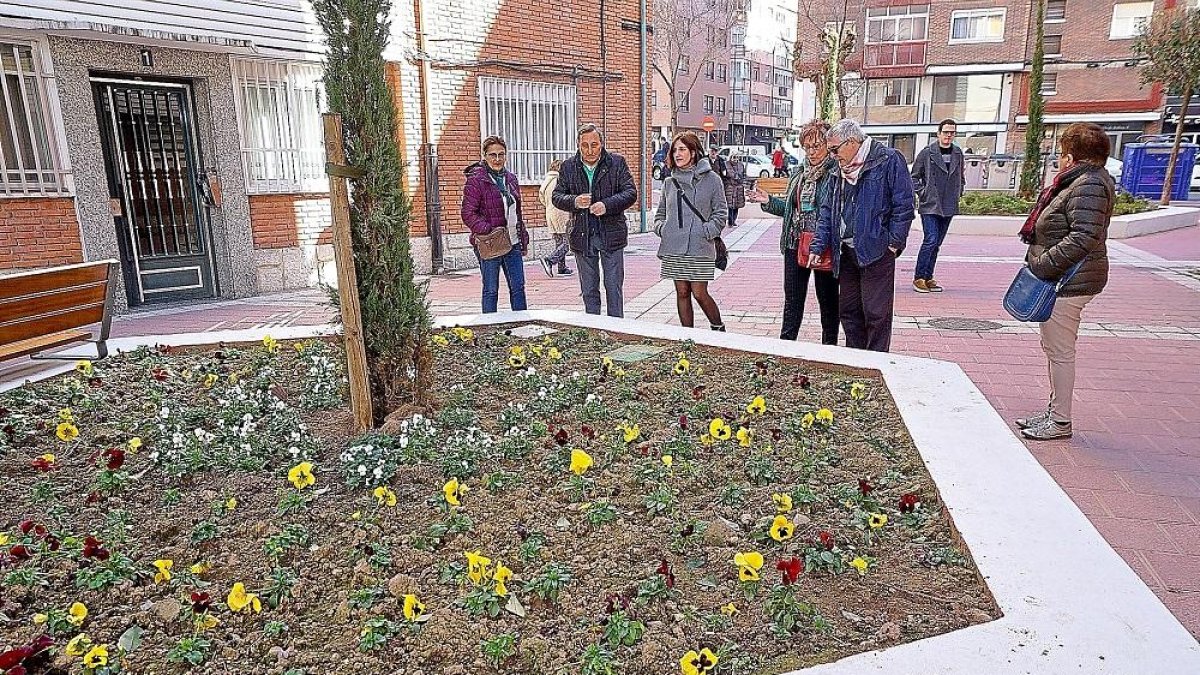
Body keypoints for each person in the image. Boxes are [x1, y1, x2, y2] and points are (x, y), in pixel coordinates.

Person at [1016, 123, 1115, 441]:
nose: (1059, 159)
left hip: (1068, 282)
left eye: (1061, 153)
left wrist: (1043, 265)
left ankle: (1060, 421)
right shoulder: (1082, 181)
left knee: (1060, 351)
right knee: (1054, 348)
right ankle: (1054, 411)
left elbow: (1084, 237)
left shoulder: (1088, 184)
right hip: (1065, 279)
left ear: (1070, 157)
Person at [808, 119, 914, 352]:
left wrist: (893, 244)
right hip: (846, 252)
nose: (832, 155)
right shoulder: (838, 168)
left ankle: (876, 361)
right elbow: (827, 210)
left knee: (876, 313)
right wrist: (818, 246)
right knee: (849, 311)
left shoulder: (888, 160)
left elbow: (904, 205)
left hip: (877, 250)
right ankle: (856, 360)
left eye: (835, 149)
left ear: (852, 141)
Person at [748, 119, 839, 344]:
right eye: (807, 147)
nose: (811, 152)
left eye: (817, 146)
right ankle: (785, 348)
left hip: (823, 245)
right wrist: (768, 201)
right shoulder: (799, 174)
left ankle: (829, 350)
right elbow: (791, 210)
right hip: (795, 242)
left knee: (828, 302)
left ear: (828, 145)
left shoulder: (835, 174)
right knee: (792, 301)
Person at [552, 123, 638, 317]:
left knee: (613, 288)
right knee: (589, 290)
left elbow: (630, 193)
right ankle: (592, 328)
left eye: (594, 145)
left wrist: (607, 205)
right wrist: (574, 201)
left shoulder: (616, 163)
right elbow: (556, 196)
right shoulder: (568, 167)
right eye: (585, 145)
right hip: (582, 235)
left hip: (611, 235)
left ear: (602, 144)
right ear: (578, 145)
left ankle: (616, 328)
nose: (590, 150)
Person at [654, 131, 728, 331]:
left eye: (682, 149)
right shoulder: (669, 182)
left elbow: (721, 212)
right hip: (674, 246)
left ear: (693, 152)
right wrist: (663, 228)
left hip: (700, 245)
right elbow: (660, 214)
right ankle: (688, 337)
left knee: (699, 292)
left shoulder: (712, 179)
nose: (677, 154)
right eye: (675, 150)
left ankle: (718, 329)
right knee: (682, 292)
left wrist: (707, 231)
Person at [461, 136, 529, 313]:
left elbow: (517, 212)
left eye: (501, 154)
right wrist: (488, 230)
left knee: (518, 288)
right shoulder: (476, 180)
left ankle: (521, 323)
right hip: (489, 243)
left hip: (512, 242)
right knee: (491, 290)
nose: (497, 159)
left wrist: (523, 238)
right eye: (492, 155)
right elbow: (468, 213)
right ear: (484, 156)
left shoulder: (511, 179)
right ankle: (489, 326)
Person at [910, 118, 965, 293]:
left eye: (952, 132)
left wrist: (959, 191)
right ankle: (919, 277)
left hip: (949, 203)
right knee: (930, 239)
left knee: (937, 243)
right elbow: (913, 177)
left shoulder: (958, 153)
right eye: (946, 132)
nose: (949, 135)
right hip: (931, 204)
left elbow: (960, 176)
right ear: (938, 133)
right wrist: (924, 192)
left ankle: (928, 277)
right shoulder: (927, 153)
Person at [538, 158, 573, 277]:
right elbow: (566, 197)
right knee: (568, 242)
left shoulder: (547, 181)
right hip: (561, 213)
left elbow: (542, 198)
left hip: (550, 213)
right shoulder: (559, 180)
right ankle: (550, 260)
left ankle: (562, 268)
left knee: (559, 241)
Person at [724, 154, 746, 227]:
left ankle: (734, 220)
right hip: (730, 187)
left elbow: (744, 175)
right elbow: (726, 175)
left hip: (738, 187)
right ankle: (730, 221)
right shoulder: (726, 164)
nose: (735, 159)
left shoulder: (741, 165)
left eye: (736, 157)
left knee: (737, 205)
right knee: (730, 205)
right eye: (734, 157)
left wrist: (742, 182)